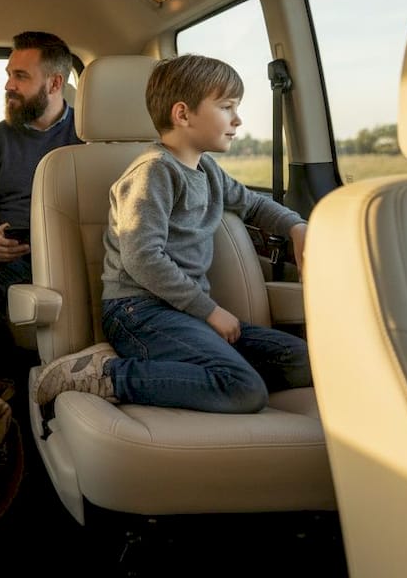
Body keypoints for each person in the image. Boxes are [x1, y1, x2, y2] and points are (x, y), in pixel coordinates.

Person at [33, 54, 311, 413]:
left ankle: (200, 370)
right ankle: (107, 373)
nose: (237, 119)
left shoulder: (207, 170)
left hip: (185, 313)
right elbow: (142, 258)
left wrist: (296, 226)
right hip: (138, 312)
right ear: (182, 114)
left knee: (307, 360)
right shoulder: (152, 173)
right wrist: (210, 311)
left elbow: (253, 205)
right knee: (244, 389)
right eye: (226, 107)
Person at [0, 31, 83, 384]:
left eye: (21, 76)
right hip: (12, 259)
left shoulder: (89, 137)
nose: (9, 85)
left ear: (55, 83)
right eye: (9, 74)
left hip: (79, 254)